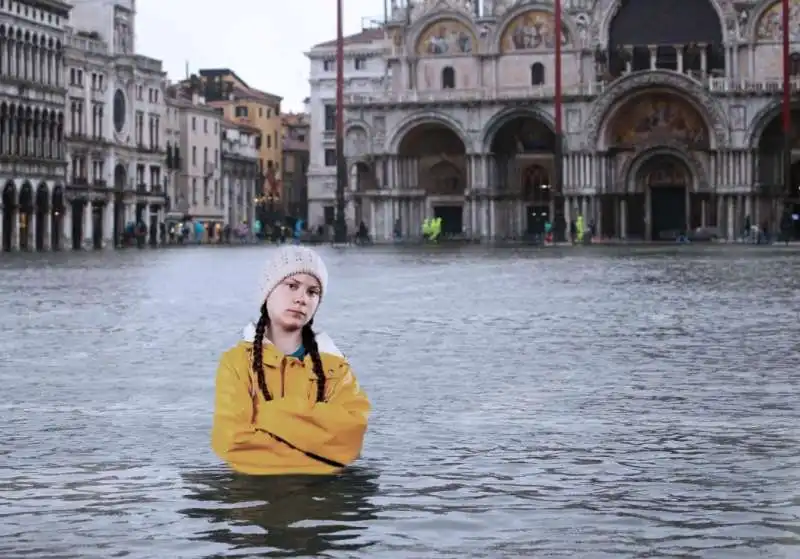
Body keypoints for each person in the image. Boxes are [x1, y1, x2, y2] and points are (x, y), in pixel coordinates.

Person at [211, 246, 371, 475]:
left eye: (312, 292)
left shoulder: (336, 368)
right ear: (268, 292)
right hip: (255, 504)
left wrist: (267, 414)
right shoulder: (236, 363)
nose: (301, 299)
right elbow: (232, 442)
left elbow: (350, 440)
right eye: (292, 286)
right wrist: (319, 450)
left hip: (320, 504)